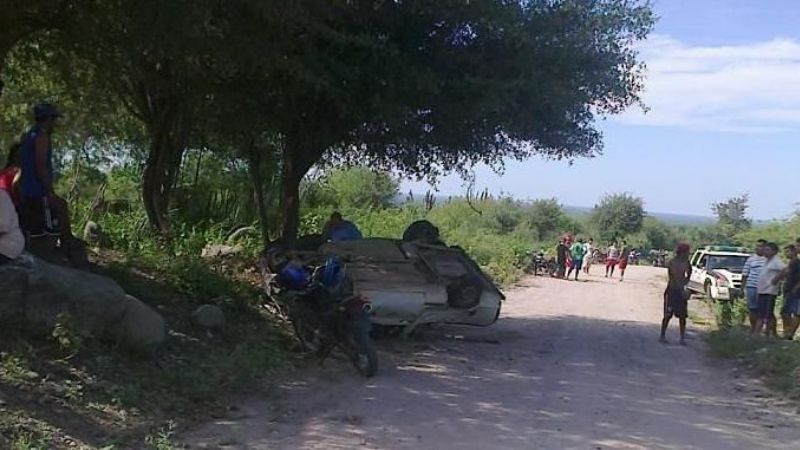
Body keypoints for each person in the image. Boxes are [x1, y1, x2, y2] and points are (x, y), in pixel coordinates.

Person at [18, 102, 74, 240]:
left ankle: (65, 244)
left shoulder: (28, 136)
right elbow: (40, 165)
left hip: (26, 191)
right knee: (59, 209)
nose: (54, 123)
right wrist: (49, 191)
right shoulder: (41, 136)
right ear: (48, 119)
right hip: (37, 192)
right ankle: (67, 246)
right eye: (53, 119)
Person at [660, 243, 692, 345]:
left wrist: (685, 283)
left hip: (680, 290)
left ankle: (682, 338)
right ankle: (662, 336)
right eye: (687, 252)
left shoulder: (686, 263)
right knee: (668, 314)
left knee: (682, 316)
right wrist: (682, 287)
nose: (688, 254)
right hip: (672, 290)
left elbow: (689, 273)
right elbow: (672, 277)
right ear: (682, 252)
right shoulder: (672, 262)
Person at [755, 242, 786, 337]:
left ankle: (767, 334)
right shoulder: (767, 260)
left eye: (768, 250)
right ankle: (763, 333)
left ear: (774, 251)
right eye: (765, 250)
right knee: (762, 313)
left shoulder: (776, 261)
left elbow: (785, 269)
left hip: (770, 291)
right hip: (762, 290)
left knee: (767, 314)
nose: (765, 252)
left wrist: (776, 279)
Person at [742, 240, 767, 333]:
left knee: (762, 309)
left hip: (764, 288)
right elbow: (745, 274)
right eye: (757, 246)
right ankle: (753, 327)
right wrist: (742, 288)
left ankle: (758, 329)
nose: (758, 248)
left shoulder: (768, 260)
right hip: (751, 286)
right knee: (752, 309)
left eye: (761, 246)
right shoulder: (751, 259)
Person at [781, 244, 800, 340]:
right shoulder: (790, 263)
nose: (786, 254)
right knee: (785, 312)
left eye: (788, 252)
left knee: (791, 312)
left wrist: (795, 288)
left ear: (793, 252)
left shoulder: (797, 263)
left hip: (794, 291)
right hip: (788, 290)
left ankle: (789, 333)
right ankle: (787, 331)